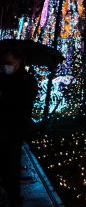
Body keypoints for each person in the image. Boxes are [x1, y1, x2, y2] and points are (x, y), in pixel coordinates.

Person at [0, 47, 38, 207]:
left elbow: (23, 106)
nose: (5, 66)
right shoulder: (3, 78)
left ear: (19, 61)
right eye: (3, 63)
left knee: (11, 167)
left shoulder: (27, 80)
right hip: (3, 128)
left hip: (14, 130)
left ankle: (14, 198)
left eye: (9, 62)